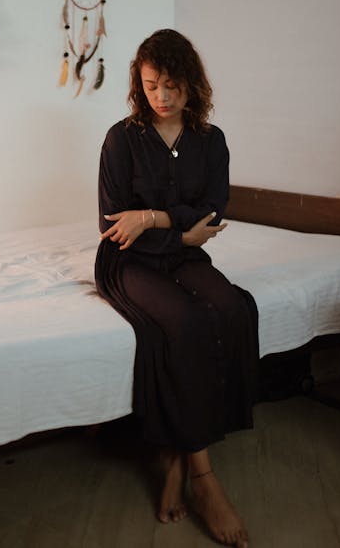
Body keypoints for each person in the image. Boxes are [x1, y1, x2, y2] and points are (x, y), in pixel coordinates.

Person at [94, 29, 259, 548]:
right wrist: (173, 229)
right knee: (184, 322)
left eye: (170, 86)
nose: (160, 98)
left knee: (232, 307)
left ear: (191, 84)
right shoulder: (121, 139)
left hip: (182, 253)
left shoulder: (211, 141)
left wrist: (155, 218)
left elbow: (212, 213)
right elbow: (115, 226)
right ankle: (201, 474)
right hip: (127, 262)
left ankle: (170, 451)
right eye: (150, 86)